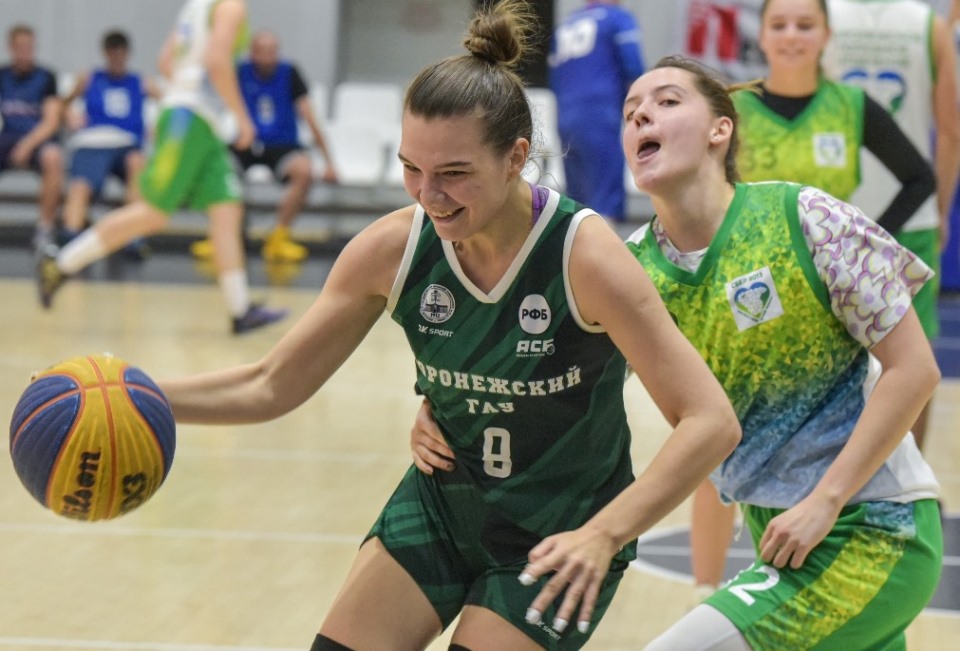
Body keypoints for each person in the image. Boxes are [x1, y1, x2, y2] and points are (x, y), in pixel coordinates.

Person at [152, 2, 740, 648]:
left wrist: (607, 532)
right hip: (441, 505)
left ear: (516, 157)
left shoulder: (586, 256)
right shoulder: (391, 249)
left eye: (454, 174)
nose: (429, 195)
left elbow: (711, 420)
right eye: (412, 168)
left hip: (561, 530)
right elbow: (270, 382)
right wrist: (137, 393)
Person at [411, 54, 943, 649]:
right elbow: (533, 377)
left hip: (875, 524)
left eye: (666, 102)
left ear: (721, 129)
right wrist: (443, 404)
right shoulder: (628, 268)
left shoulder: (805, 216)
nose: (642, 116)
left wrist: (827, 499)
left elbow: (915, 370)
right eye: (630, 112)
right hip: (781, 537)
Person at [691, 0, 938, 602]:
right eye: (779, 24)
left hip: (828, 307)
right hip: (744, 295)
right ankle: (702, 591)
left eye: (806, 24)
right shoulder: (736, 111)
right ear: (762, 35)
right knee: (716, 432)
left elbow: (920, 177)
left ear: (827, 34)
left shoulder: (851, 105)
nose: (792, 35)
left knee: (839, 428)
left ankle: (836, 556)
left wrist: (866, 245)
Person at [36, 0, 287, 336]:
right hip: (190, 120)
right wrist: (242, 118)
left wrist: (185, 88)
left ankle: (240, 309)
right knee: (152, 212)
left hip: (200, 121)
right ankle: (61, 263)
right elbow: (216, 61)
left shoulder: (196, 6)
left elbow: (165, 61)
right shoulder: (230, 6)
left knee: (227, 209)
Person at [822, 0, 960, 453]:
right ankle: (910, 476)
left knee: (826, 356)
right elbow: (951, 130)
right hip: (910, 217)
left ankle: (834, 472)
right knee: (913, 361)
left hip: (830, 219)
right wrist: (940, 210)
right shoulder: (929, 26)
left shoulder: (819, 15)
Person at [190, 29, 339, 264]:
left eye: (272, 51)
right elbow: (214, 104)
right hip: (246, 141)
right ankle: (223, 235)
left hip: (283, 145)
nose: (268, 57)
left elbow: (309, 117)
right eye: (262, 51)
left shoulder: (290, 73)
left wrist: (329, 162)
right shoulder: (240, 72)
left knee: (304, 171)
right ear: (252, 53)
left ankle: (279, 236)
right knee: (216, 170)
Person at [60, 29, 160, 260]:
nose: (116, 59)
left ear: (127, 54)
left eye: (120, 54)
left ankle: (134, 235)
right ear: (105, 54)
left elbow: (169, 102)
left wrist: (158, 125)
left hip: (126, 143)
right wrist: (69, 115)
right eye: (112, 53)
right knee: (81, 184)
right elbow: (62, 103)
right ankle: (71, 238)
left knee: (137, 164)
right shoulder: (89, 78)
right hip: (94, 142)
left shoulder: (141, 82)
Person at [547, 0, 644, 223]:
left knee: (577, 203)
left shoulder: (565, 25)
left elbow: (555, 77)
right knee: (605, 200)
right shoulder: (617, 19)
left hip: (566, 115)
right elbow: (633, 67)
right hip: (600, 113)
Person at [0, 24, 64, 250]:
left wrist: (27, 144)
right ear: (11, 48)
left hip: (37, 139)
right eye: (21, 47)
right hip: (8, 137)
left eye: (29, 47)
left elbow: (51, 122)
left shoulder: (46, 77)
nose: (25, 52)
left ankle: (44, 229)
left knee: (53, 157)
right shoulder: (3, 75)